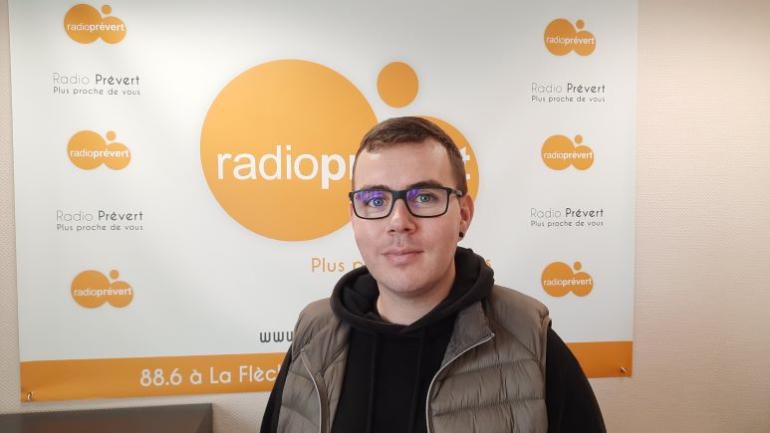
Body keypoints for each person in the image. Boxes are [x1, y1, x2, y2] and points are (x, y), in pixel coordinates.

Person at [261, 117, 606, 433]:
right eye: (375, 200)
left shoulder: (530, 338)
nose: (399, 221)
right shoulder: (312, 336)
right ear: (354, 217)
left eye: (424, 197)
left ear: (463, 215)